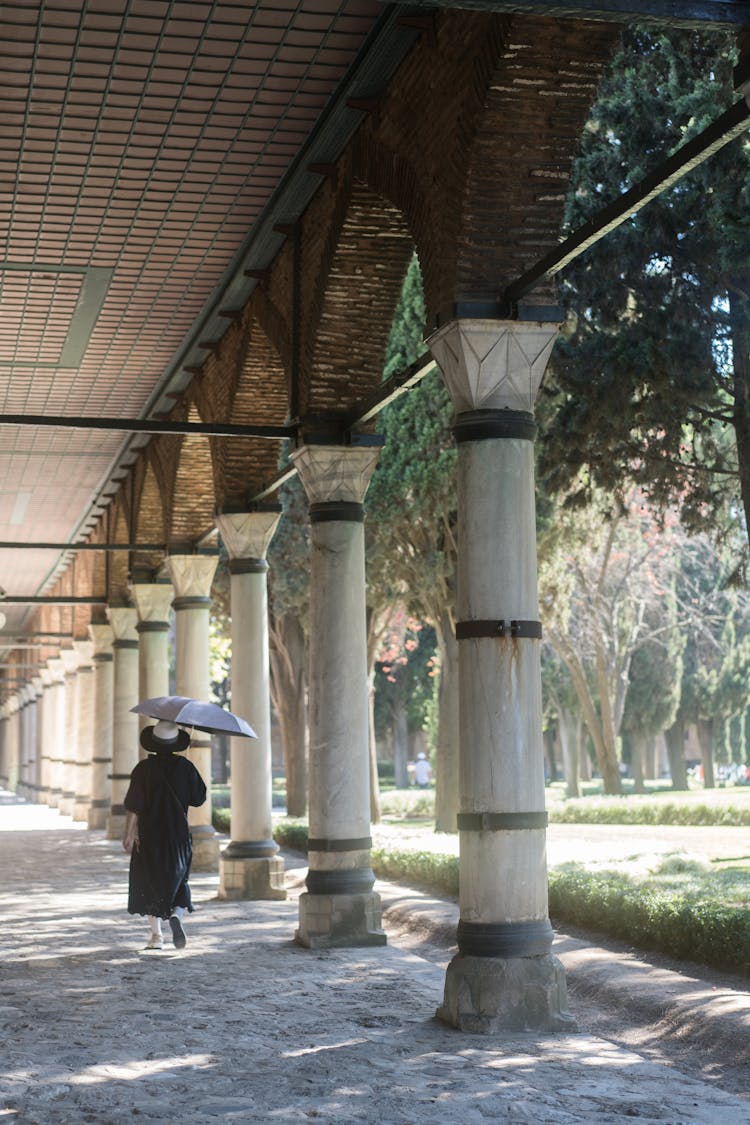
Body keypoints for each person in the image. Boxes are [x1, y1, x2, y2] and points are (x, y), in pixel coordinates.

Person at [123, 720, 207, 951]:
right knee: (180, 880)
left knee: (149, 881)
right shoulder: (185, 767)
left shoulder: (143, 769)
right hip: (178, 835)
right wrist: (187, 772)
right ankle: (177, 915)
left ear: (153, 742)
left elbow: (134, 805)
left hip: (149, 836)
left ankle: (156, 936)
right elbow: (199, 798)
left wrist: (128, 834)